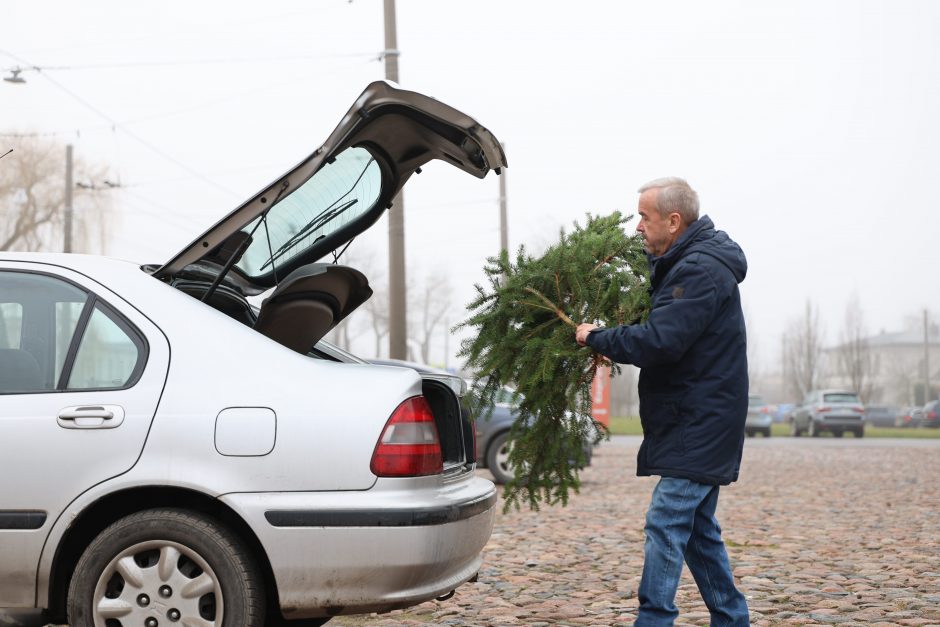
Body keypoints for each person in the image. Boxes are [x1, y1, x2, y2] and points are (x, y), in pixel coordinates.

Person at [575, 177, 750, 626]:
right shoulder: (686, 263)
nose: (637, 227)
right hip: (692, 418)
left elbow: (661, 342)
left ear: (674, 221)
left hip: (699, 421)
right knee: (697, 534)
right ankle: (732, 619)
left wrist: (599, 336)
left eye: (644, 217)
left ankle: (653, 620)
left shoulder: (699, 270)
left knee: (666, 521)